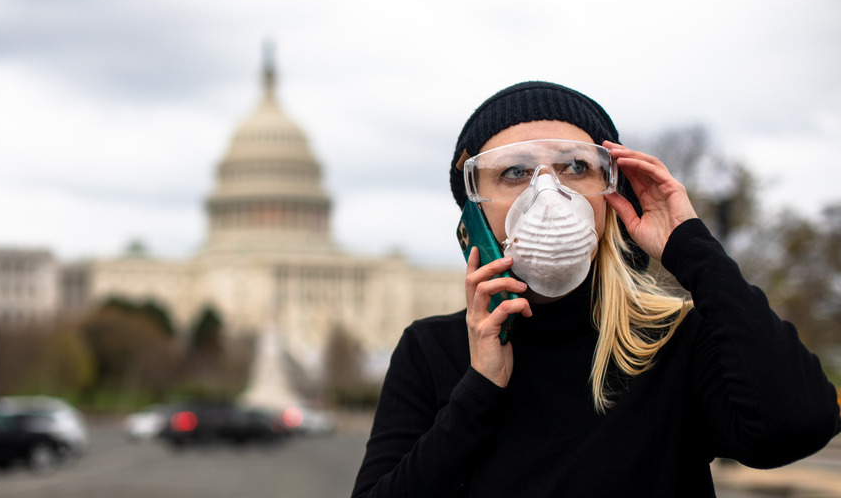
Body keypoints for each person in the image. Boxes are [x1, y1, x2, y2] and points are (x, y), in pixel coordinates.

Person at [351, 81, 840, 497]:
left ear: (611, 193)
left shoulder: (669, 341)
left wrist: (690, 247)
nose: (547, 193)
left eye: (576, 167)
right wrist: (479, 388)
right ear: (473, 214)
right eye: (514, 172)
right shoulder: (432, 351)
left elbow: (798, 424)